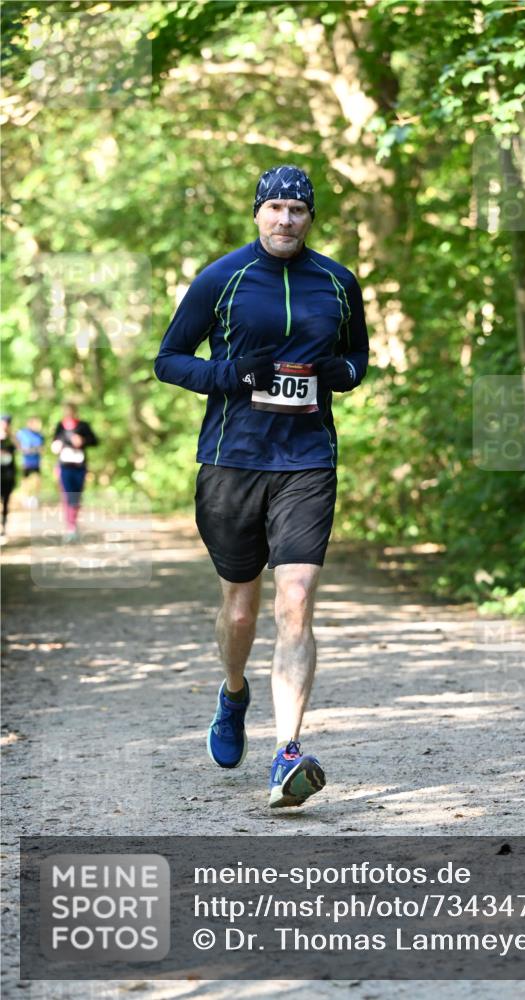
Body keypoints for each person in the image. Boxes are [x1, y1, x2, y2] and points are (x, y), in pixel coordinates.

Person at [154, 165, 369, 809]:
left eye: (297, 210)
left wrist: (341, 371)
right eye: (274, 207)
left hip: (306, 462)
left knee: (296, 602)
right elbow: (168, 359)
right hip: (232, 460)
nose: (285, 219)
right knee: (241, 609)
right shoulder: (221, 279)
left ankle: (287, 753)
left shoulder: (337, 281)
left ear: (310, 218)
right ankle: (233, 691)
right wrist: (229, 374)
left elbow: (359, 358)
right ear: (257, 214)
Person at [51, 402, 98, 542]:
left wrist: (83, 440)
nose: (69, 413)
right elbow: (54, 444)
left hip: (79, 466)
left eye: (71, 410)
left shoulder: (83, 426)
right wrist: (55, 446)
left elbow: (95, 441)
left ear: (75, 411)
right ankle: (70, 527)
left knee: (77, 496)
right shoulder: (60, 426)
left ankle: (74, 523)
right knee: (67, 495)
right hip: (64, 466)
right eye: (66, 410)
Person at [16, 416, 44, 508]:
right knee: (25, 481)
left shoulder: (39, 435)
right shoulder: (22, 433)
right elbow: (19, 446)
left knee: (37, 480)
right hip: (26, 461)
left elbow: (41, 448)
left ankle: (34, 498)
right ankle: (25, 498)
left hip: (36, 461)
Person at [0, 415, 17, 540]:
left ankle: (4, 527)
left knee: (6, 500)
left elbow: (20, 447)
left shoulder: (12, 438)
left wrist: (10, 435)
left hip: (8, 473)